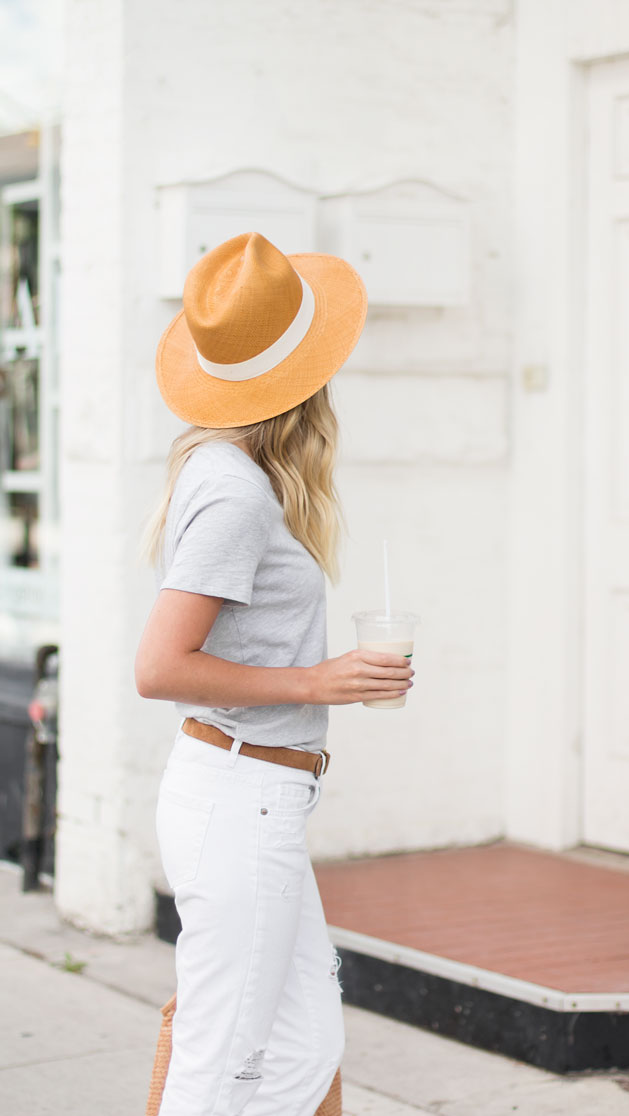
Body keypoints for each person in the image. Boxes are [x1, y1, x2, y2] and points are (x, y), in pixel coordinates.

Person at [134, 231, 415, 1116]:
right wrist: (316, 682)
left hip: (255, 797)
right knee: (223, 1063)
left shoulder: (237, 473)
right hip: (239, 797)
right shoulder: (236, 492)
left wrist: (325, 680)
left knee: (300, 1049)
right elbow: (159, 667)